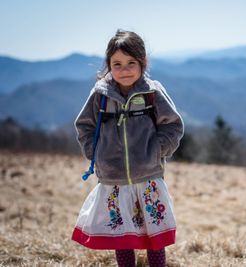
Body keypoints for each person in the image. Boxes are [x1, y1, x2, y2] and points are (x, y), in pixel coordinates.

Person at [71, 29, 184, 267]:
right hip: (113, 180)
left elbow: (173, 125)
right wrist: (96, 154)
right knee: (121, 235)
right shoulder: (100, 95)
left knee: (155, 234)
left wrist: (157, 151)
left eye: (131, 63)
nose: (125, 70)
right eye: (117, 63)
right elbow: (84, 125)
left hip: (149, 178)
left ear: (142, 62)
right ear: (109, 64)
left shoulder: (152, 92)